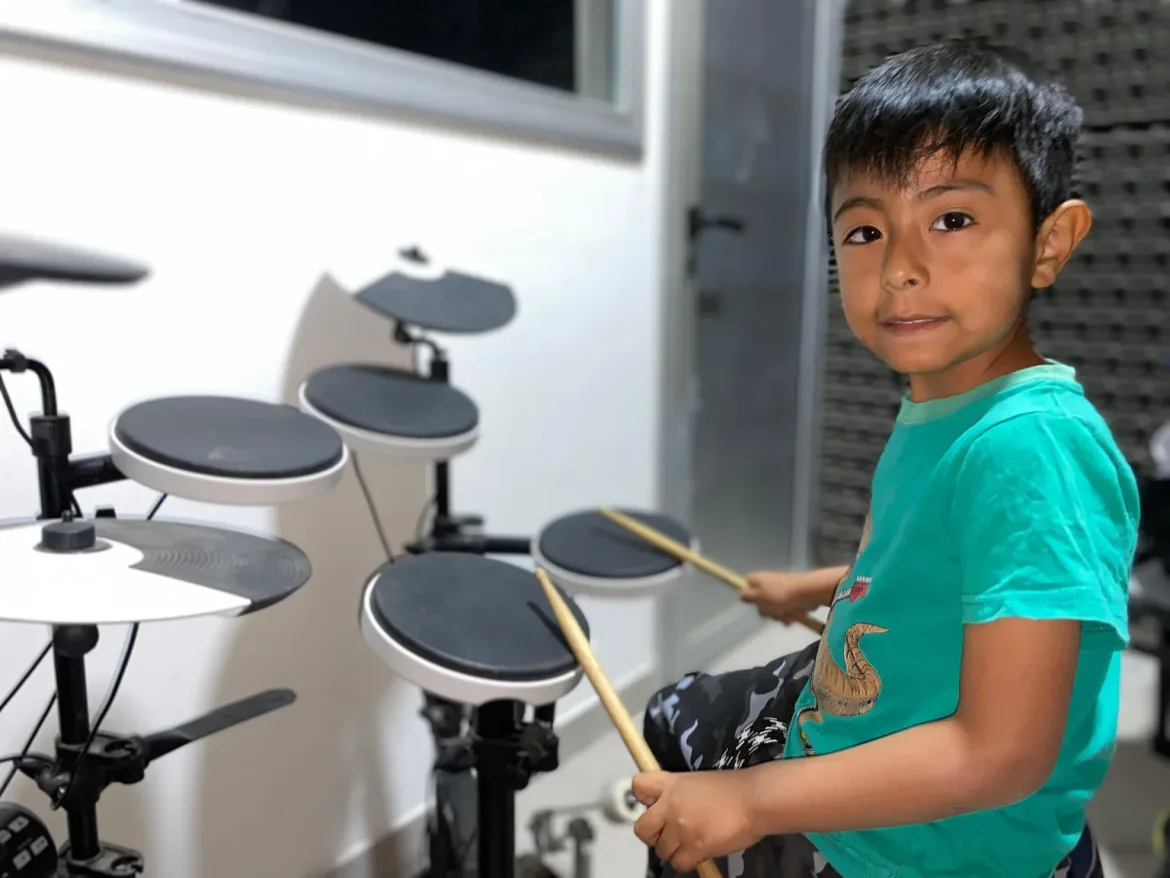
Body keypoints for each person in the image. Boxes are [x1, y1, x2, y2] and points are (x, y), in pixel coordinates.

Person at [632, 39, 1138, 878]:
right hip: (858, 743)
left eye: (952, 220)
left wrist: (752, 800)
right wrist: (821, 587)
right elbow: (940, 570)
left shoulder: (1029, 449)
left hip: (927, 850)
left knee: (689, 793)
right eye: (865, 230)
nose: (901, 268)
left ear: (1050, 243)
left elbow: (1000, 753)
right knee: (671, 720)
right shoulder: (947, 403)